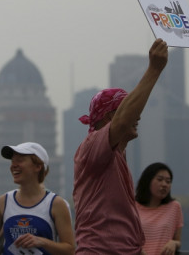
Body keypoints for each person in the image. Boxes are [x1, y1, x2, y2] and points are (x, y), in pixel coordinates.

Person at [72, 38, 168, 254]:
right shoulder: (92, 145)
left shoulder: (116, 157)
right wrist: (154, 70)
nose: (138, 117)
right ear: (108, 118)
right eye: (130, 111)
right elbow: (123, 121)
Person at [0, 142, 75, 255]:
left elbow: (70, 250)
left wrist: (42, 242)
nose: (14, 165)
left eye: (20, 160)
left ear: (38, 166)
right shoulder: (3, 202)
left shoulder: (56, 204)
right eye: (13, 161)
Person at [136, 162, 183, 255]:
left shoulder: (174, 207)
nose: (164, 184)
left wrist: (173, 243)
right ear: (147, 181)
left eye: (168, 181)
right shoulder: (132, 207)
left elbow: (178, 241)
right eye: (160, 179)